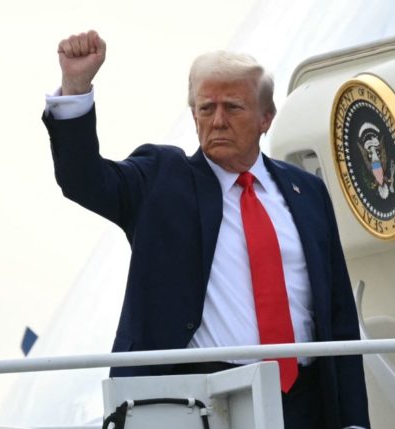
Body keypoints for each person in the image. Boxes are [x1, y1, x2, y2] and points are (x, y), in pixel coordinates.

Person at [43, 30, 370, 429]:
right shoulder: (161, 179)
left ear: (266, 118)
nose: (217, 121)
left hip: (304, 400)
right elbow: (83, 179)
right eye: (205, 108)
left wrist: (354, 421)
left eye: (232, 107)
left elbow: (338, 314)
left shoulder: (307, 192)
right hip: (198, 400)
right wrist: (76, 87)